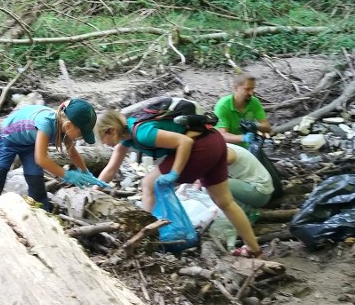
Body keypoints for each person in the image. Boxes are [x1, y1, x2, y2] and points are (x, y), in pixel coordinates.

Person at [96, 109, 262, 257]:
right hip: (215, 141)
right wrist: (94, 190)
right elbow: (110, 170)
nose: (105, 145)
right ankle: (254, 249)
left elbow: (185, 142)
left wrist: (175, 172)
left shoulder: (142, 133)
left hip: (201, 147)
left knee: (148, 184)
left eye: (104, 140)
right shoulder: (127, 136)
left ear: (111, 130)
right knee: (225, 202)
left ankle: (146, 237)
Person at [0, 98, 102, 210]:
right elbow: (41, 159)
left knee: (35, 178)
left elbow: (73, 153)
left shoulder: (65, 130)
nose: (80, 137)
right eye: (81, 134)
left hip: (30, 143)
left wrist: (86, 172)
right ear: (68, 125)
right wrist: (67, 175)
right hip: (9, 136)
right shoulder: (45, 124)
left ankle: (41, 212)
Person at [213, 74, 272, 147]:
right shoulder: (223, 105)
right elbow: (222, 135)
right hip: (226, 147)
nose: (251, 93)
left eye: (252, 89)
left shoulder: (254, 102)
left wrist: (255, 126)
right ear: (236, 88)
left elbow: (267, 127)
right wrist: (244, 138)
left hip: (246, 146)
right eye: (247, 89)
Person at [225, 143, 273, 214]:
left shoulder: (225, 150)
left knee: (216, 186)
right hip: (252, 189)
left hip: (260, 192)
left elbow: (230, 157)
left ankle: (249, 212)